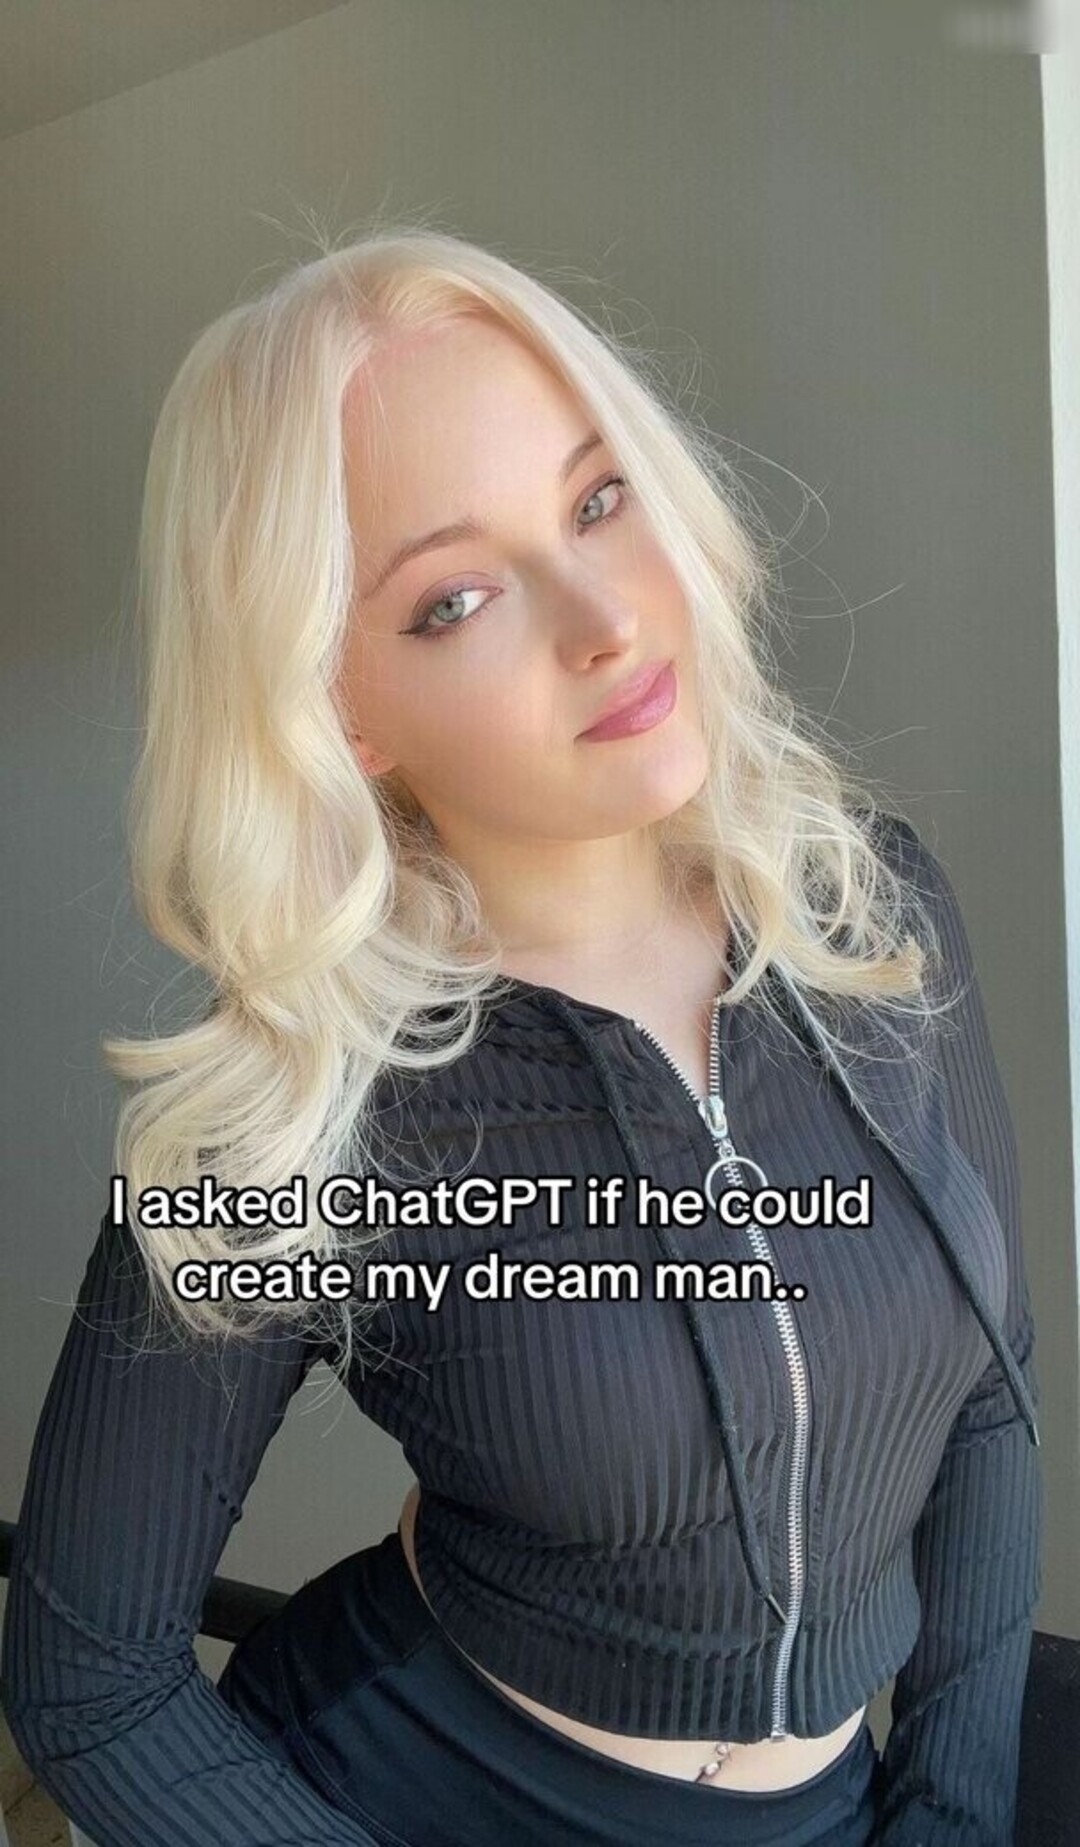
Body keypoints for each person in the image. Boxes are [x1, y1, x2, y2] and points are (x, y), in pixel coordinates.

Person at [1, 224, 1041, 1847]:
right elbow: (89, 1674)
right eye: (457, 597)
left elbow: (990, 1389)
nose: (606, 618)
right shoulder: (296, 1101)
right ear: (337, 706)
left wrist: (954, 1815)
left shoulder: (872, 907)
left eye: (598, 499)